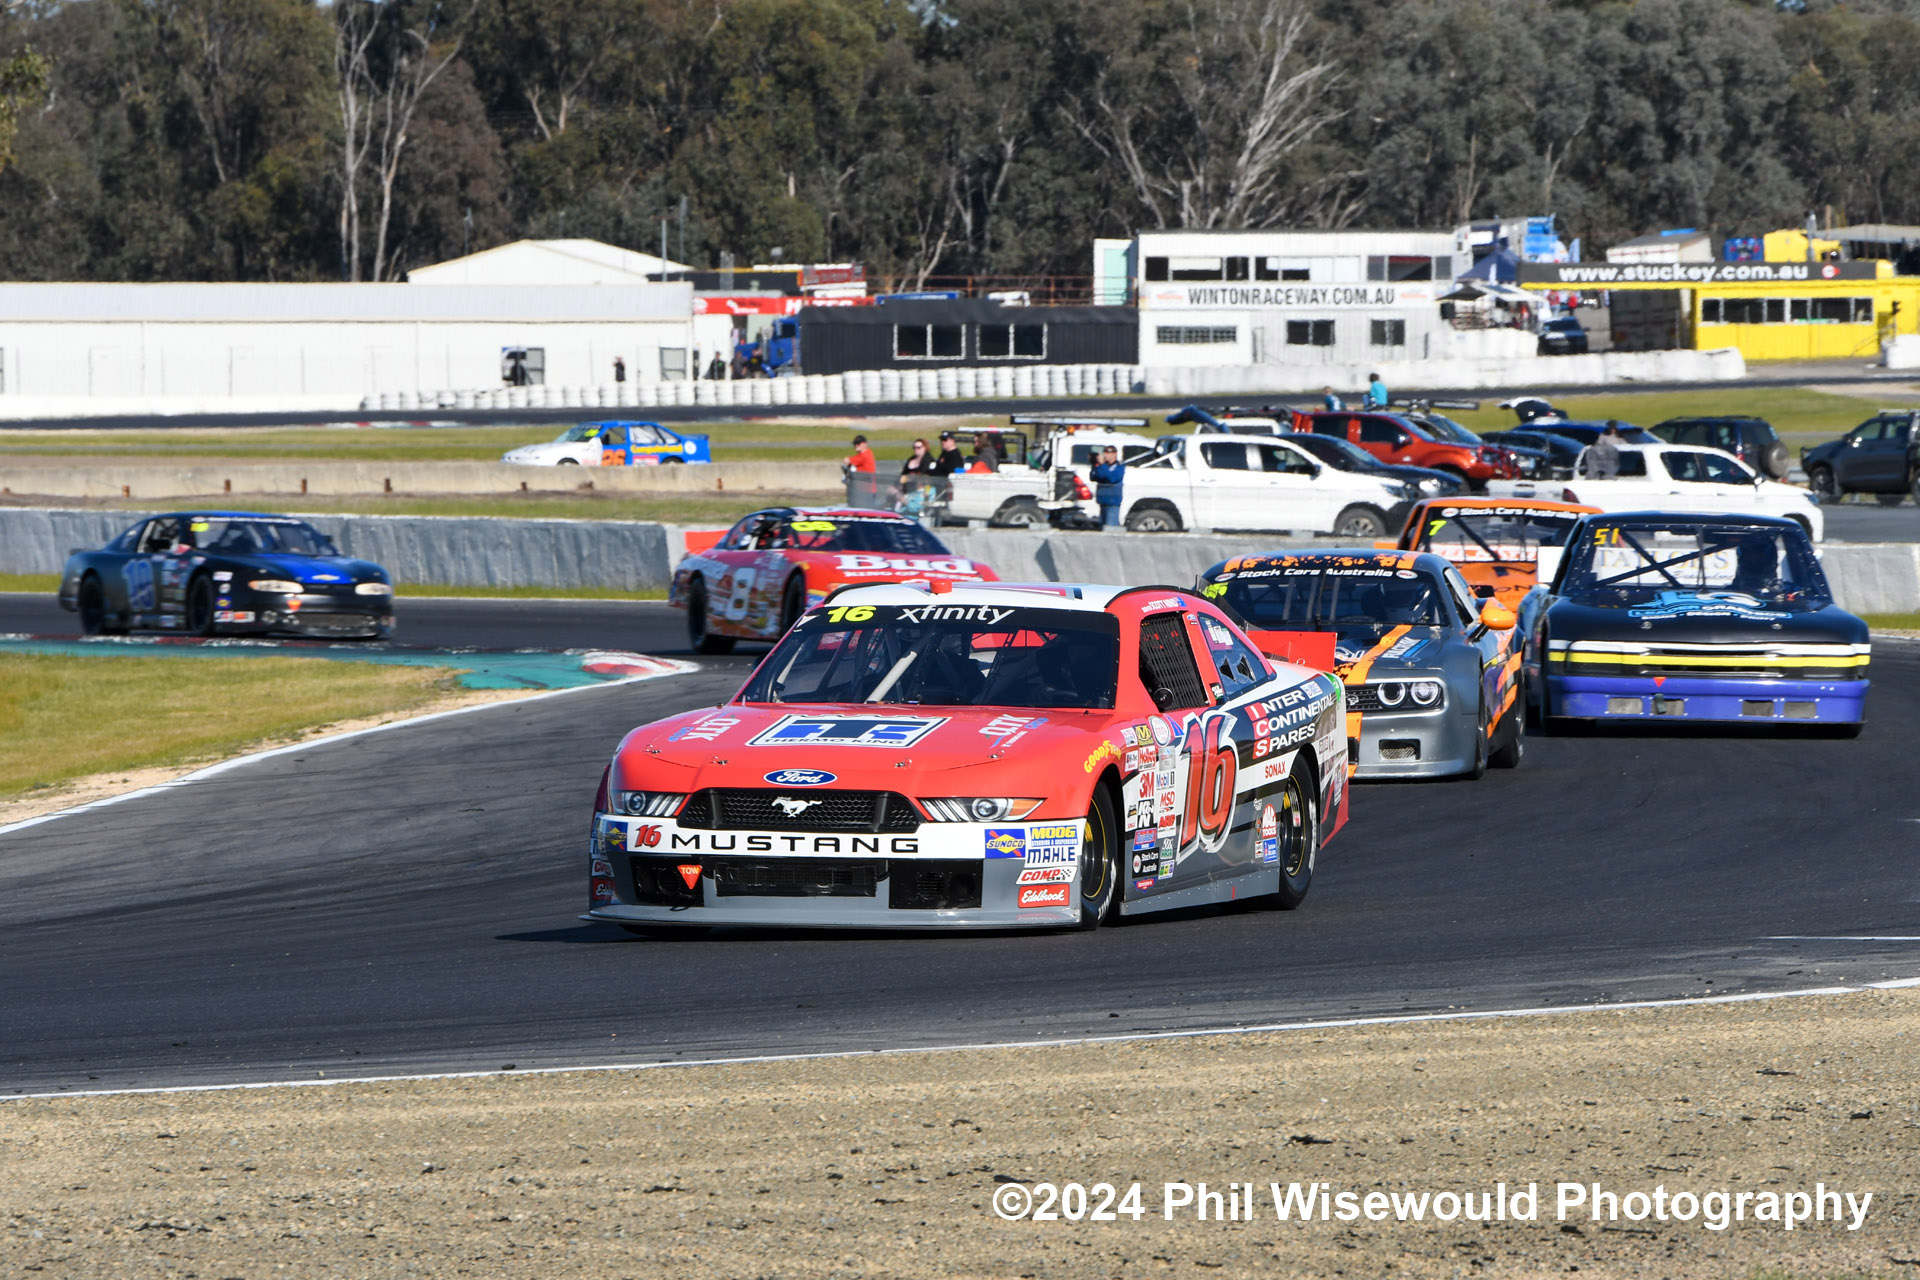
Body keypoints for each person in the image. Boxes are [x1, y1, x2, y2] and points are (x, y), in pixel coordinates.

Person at [1090, 444, 1126, 530]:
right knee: (1102, 528)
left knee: (1110, 528)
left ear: (1114, 454)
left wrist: (1102, 465)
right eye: (1105, 452)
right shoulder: (1103, 466)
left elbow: (1112, 478)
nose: (1105, 455)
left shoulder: (1119, 466)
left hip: (1113, 501)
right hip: (1103, 500)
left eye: (1108, 452)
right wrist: (1096, 465)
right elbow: (1094, 476)